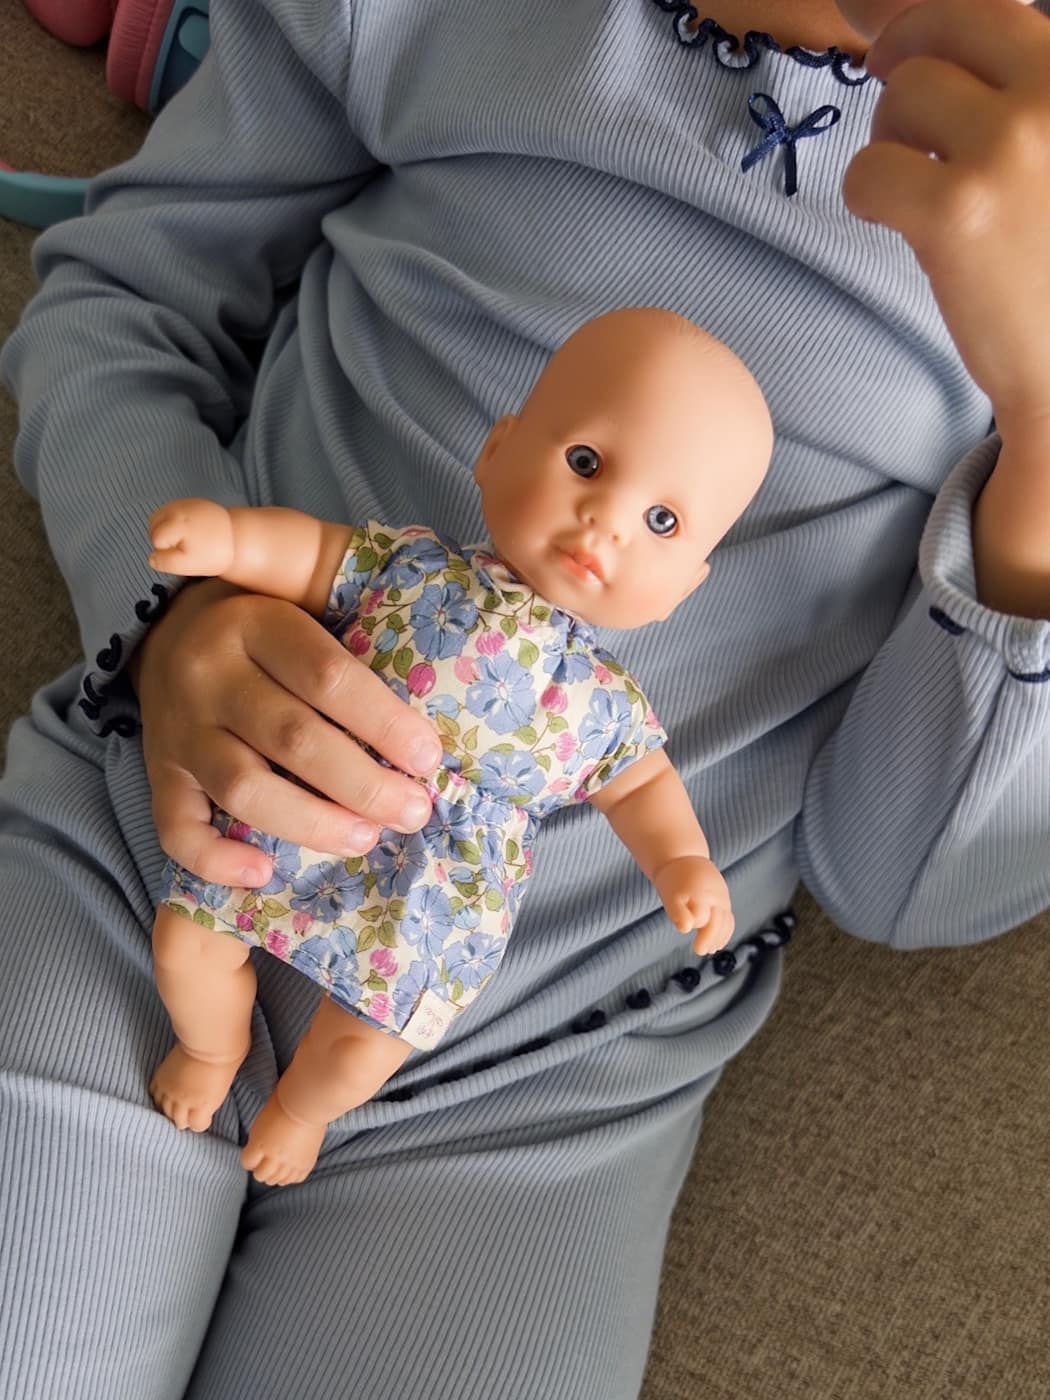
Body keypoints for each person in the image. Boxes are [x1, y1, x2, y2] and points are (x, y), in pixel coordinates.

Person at [0, 0, 1047, 1396]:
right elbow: (123, 305)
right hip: (159, 845)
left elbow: (909, 879)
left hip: (543, 1078)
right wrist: (178, 610)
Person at [145, 309, 767, 1185]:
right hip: (303, 801)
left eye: (662, 521)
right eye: (586, 463)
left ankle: (301, 1108)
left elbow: (640, 786)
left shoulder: (603, 705)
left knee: (366, 1043)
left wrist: (684, 862)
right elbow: (319, 556)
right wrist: (230, 543)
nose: (607, 522)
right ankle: (211, 1049)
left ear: (687, 587)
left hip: (435, 902)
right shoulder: (418, 569)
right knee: (189, 941)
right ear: (497, 450)